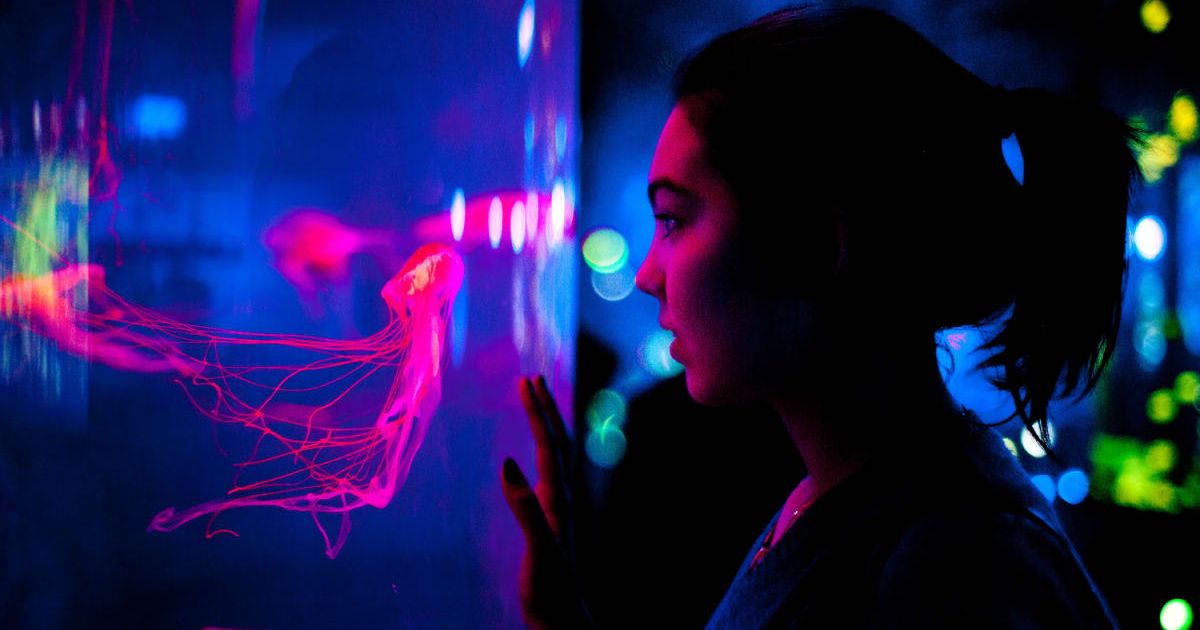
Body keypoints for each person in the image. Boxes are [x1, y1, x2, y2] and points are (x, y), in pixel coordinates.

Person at [501, 4, 1140, 628]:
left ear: (816, 241)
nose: (645, 275)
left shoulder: (952, 573)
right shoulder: (849, 498)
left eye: (674, 219)